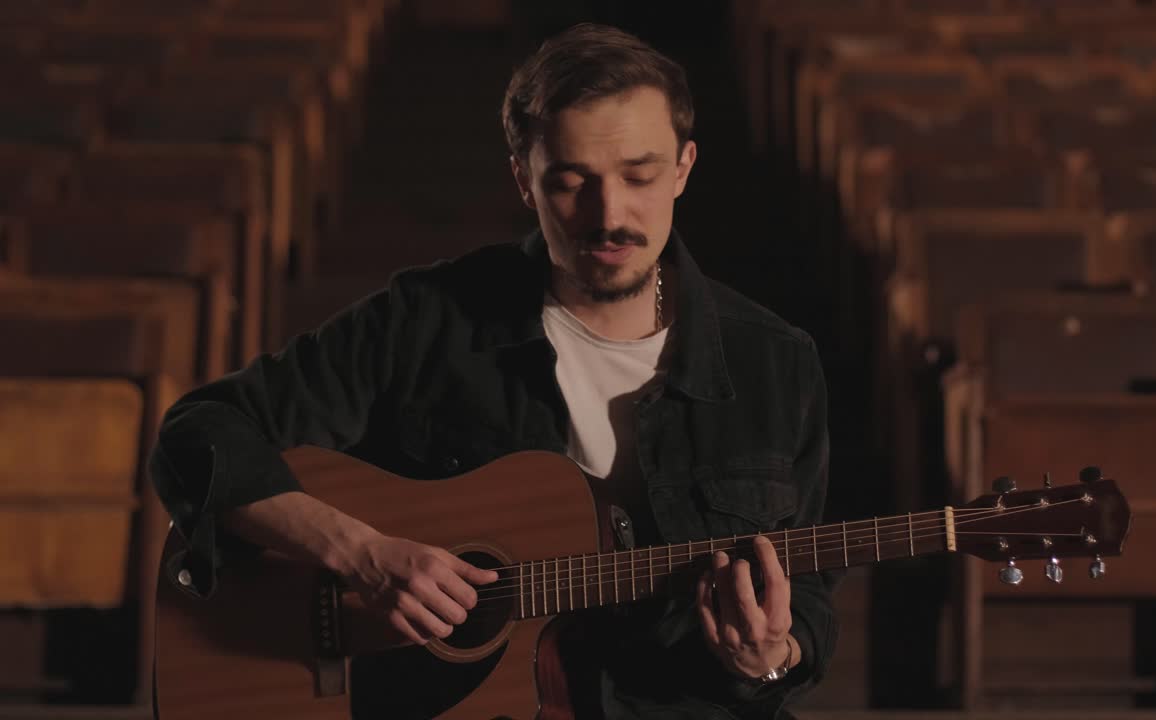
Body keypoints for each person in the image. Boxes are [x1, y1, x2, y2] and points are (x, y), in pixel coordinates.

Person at [148, 22, 839, 720]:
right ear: (523, 178)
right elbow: (199, 434)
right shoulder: (427, 321)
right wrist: (362, 555)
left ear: (685, 166)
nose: (610, 215)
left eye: (641, 175)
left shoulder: (775, 361)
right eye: (571, 182)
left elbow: (807, 602)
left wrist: (770, 657)